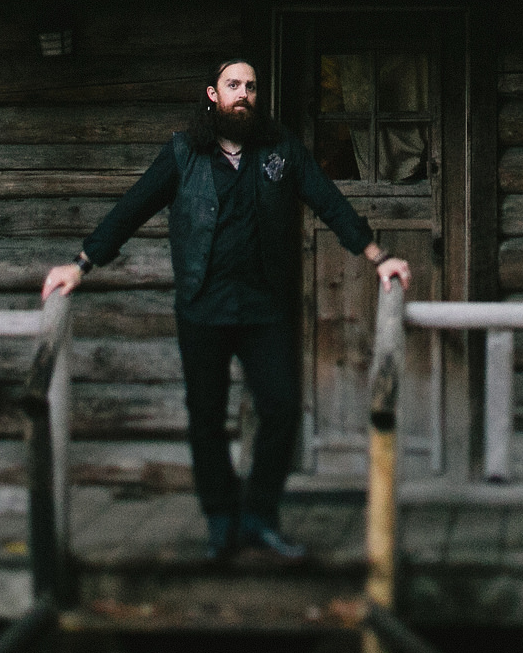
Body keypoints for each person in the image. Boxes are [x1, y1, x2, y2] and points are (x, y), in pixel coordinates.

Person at [41, 58, 411, 562]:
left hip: (266, 310)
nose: (243, 94)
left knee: (280, 410)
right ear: (212, 95)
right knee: (206, 419)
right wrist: (81, 265)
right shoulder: (182, 154)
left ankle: (259, 517)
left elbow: (330, 202)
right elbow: (131, 209)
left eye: (251, 87)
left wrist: (379, 257)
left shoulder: (280, 151)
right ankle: (220, 519)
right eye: (233, 85)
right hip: (203, 309)